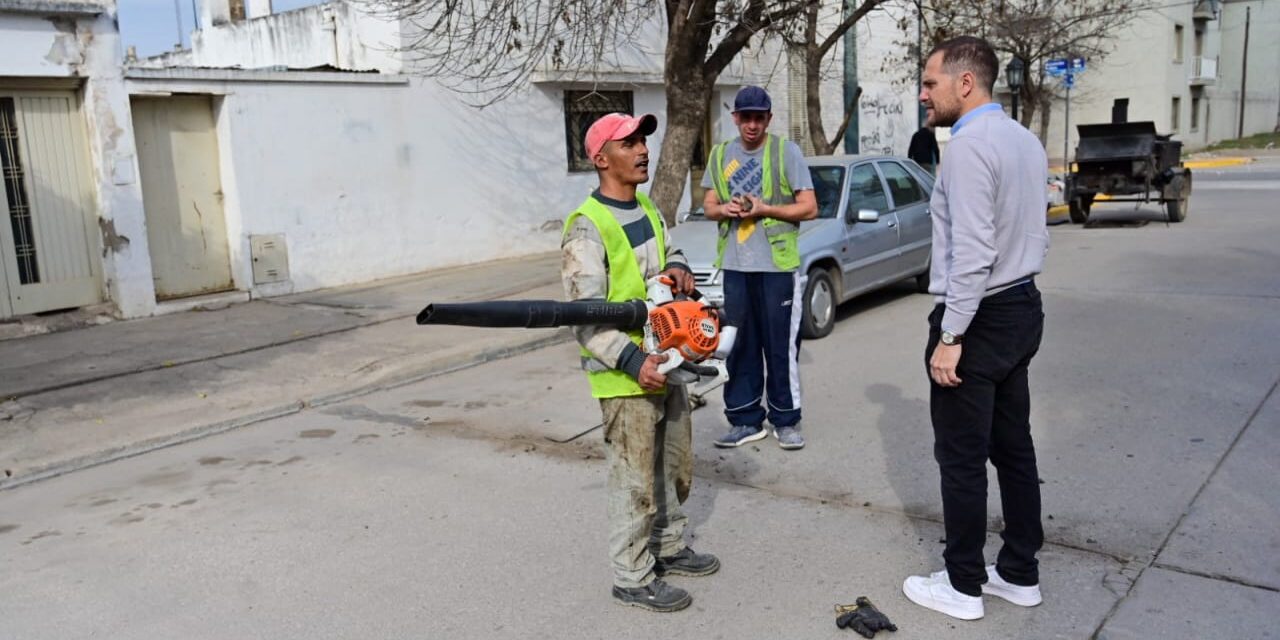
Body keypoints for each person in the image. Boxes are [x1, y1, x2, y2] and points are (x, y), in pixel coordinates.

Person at [901, 36, 1050, 621]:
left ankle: (963, 585)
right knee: (1013, 448)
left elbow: (973, 253)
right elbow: (1031, 232)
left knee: (961, 457)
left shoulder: (965, 146)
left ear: (966, 82)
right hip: (1021, 306)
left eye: (930, 82)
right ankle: (1019, 573)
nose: (923, 93)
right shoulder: (1024, 139)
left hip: (981, 315)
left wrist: (951, 337)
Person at [561, 112, 720, 613]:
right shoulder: (588, 226)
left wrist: (678, 269)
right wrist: (634, 362)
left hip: (667, 359)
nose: (643, 149)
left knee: (673, 465)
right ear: (601, 158)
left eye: (642, 140)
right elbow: (584, 319)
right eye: (629, 142)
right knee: (633, 477)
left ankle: (668, 547)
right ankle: (631, 576)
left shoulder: (647, 205)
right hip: (624, 375)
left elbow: (670, 252)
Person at [700, 86, 818, 451]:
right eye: (745, 117)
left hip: (777, 267)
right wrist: (725, 210)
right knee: (739, 346)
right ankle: (745, 420)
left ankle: (786, 419)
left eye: (759, 117)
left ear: (769, 119)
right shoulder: (720, 154)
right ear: (735, 118)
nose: (752, 124)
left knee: (780, 347)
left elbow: (809, 207)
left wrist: (765, 209)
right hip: (736, 266)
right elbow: (708, 204)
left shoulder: (786, 152)